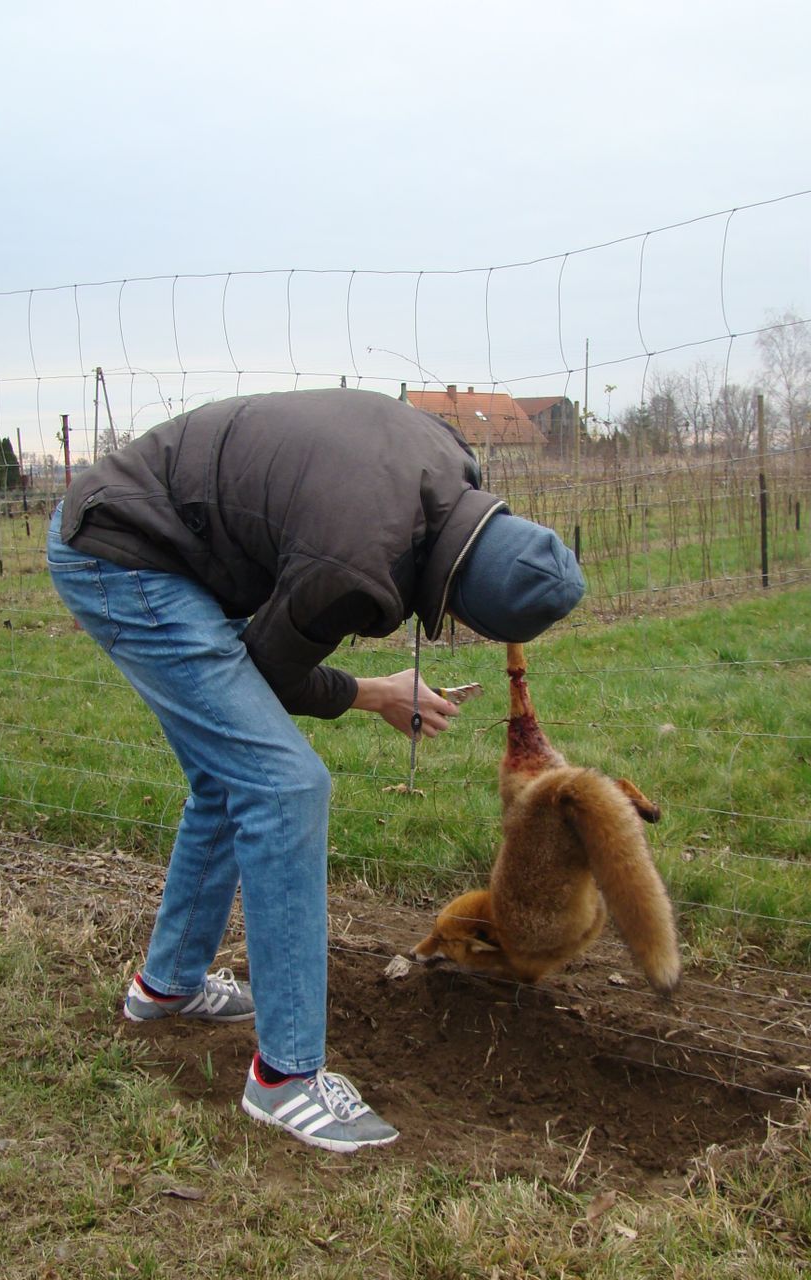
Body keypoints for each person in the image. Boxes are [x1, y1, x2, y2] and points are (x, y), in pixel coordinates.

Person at [47, 387, 584, 1153]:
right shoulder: (356, 563)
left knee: (229, 773)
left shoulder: (449, 457)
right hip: (123, 552)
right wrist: (376, 695)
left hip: (173, 536)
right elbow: (269, 673)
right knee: (283, 783)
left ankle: (167, 987)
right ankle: (286, 1079)